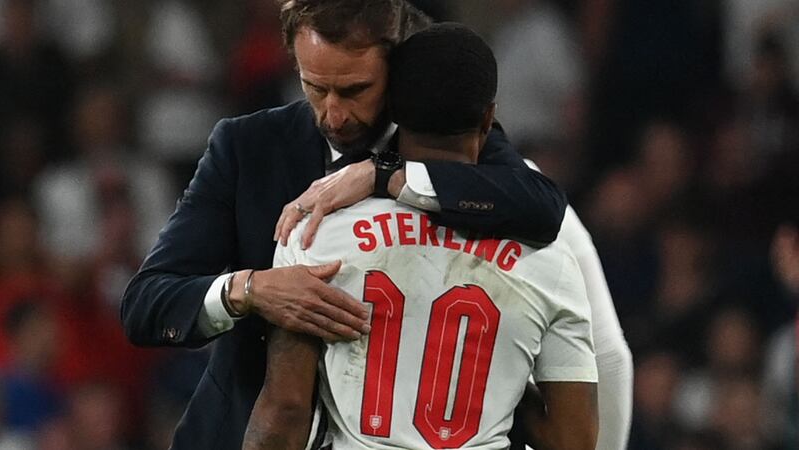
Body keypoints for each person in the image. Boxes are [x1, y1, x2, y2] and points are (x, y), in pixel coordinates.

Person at [119, 1, 568, 449]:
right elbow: (147, 303)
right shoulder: (246, 147)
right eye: (314, 87)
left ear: (395, 70)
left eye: (355, 90)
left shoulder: (446, 135)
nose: (333, 114)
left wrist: (384, 176)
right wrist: (251, 291)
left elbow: (542, 205)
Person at [244, 23, 599, 450]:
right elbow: (573, 440)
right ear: (489, 118)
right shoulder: (550, 257)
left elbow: (286, 409)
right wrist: (496, 375)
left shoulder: (316, 231)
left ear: (391, 108)